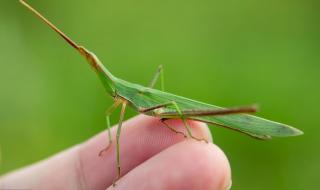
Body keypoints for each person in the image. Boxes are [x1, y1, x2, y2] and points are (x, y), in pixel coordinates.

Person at [0, 115, 231, 190]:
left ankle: (238, 116)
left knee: (121, 134)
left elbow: (118, 133)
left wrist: (169, 123)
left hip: (163, 107)